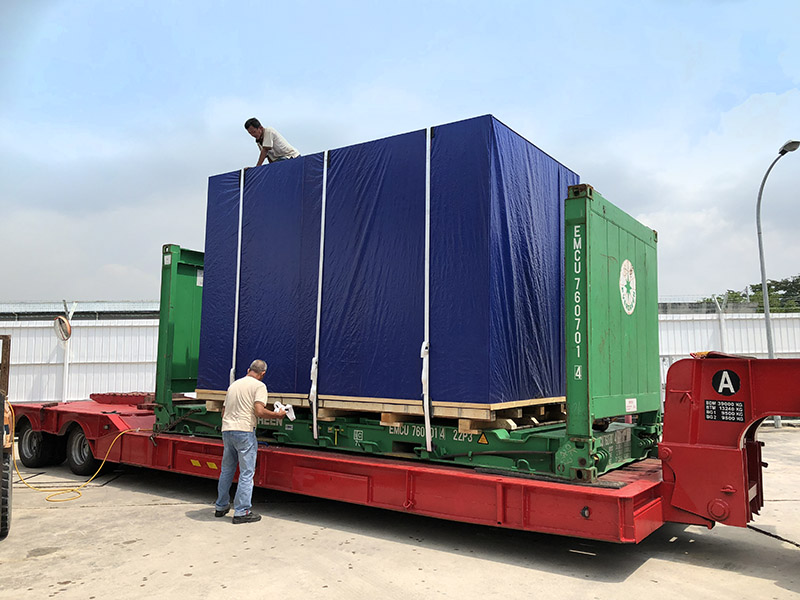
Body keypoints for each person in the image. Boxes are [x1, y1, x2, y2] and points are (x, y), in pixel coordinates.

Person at [215, 359, 286, 524]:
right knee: (246, 473)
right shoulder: (259, 386)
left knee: (226, 470)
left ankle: (221, 506)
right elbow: (259, 411)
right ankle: (241, 511)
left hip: (227, 430)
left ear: (248, 369)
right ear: (262, 374)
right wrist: (278, 415)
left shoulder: (234, 385)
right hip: (244, 431)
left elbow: (224, 410)